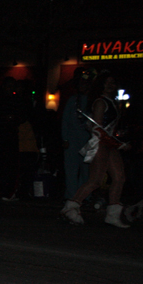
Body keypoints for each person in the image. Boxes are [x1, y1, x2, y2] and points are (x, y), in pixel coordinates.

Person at [60, 71, 130, 227]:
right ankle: (71, 206)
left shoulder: (112, 102)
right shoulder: (100, 102)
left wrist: (119, 139)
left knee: (119, 177)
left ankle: (112, 214)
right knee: (95, 181)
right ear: (101, 85)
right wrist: (119, 144)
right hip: (100, 144)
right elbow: (98, 130)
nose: (111, 85)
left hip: (110, 144)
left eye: (113, 82)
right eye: (107, 82)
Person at [60, 71, 92, 200]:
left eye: (86, 83)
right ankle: (71, 196)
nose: (83, 86)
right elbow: (65, 120)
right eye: (81, 84)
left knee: (87, 170)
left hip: (88, 140)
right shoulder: (72, 100)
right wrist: (65, 138)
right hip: (72, 139)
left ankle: (84, 196)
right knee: (71, 169)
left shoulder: (93, 101)